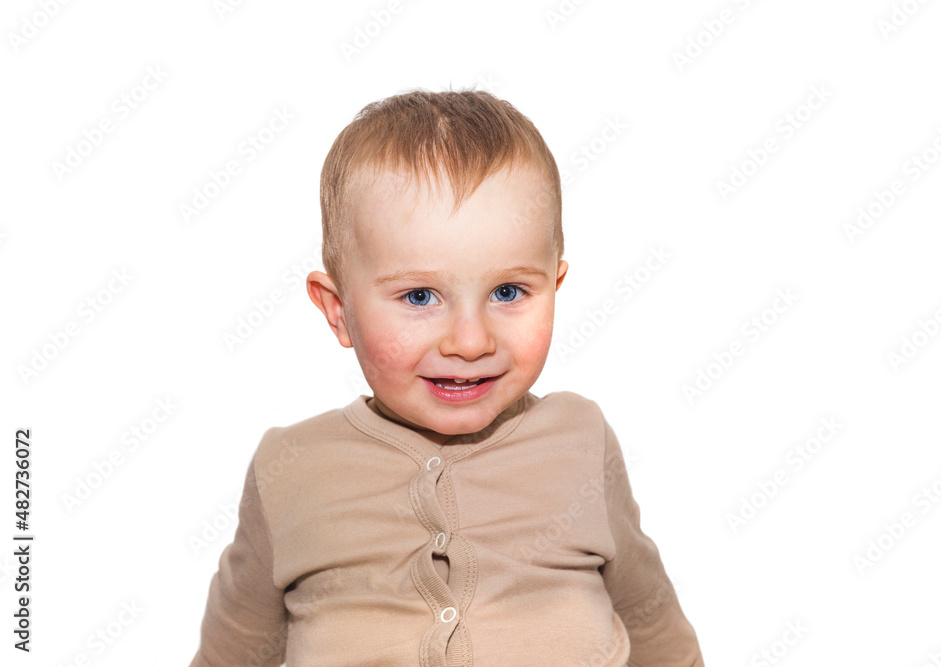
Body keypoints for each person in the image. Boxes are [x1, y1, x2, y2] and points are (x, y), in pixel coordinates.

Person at [189, 88, 704, 666]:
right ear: (339, 311)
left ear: (554, 287)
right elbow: (233, 648)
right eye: (419, 296)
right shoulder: (291, 468)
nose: (470, 341)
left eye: (508, 292)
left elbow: (650, 616)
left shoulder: (579, 439)